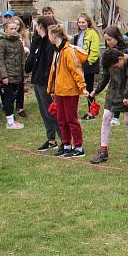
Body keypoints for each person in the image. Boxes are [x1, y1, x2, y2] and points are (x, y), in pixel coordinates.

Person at [89, 27, 128, 164]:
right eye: (106, 40)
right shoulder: (107, 54)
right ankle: (103, 150)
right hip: (113, 90)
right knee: (106, 117)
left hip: (126, 90)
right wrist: (96, 90)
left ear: (117, 37)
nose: (108, 42)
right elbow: (105, 76)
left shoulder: (127, 52)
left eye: (110, 39)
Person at [47, 24, 88, 157]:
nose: (48, 37)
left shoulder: (68, 51)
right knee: (61, 119)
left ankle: (79, 147)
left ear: (53, 35)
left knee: (71, 119)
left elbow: (76, 70)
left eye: (49, 35)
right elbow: (53, 72)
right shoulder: (57, 51)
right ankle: (66, 145)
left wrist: (82, 87)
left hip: (69, 91)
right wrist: (51, 88)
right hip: (59, 91)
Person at [25, 15, 62, 152]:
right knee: (44, 111)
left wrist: (51, 84)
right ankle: (51, 139)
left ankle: (64, 140)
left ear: (41, 26)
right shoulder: (36, 40)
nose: (35, 27)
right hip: (37, 80)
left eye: (36, 24)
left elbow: (50, 64)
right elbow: (30, 62)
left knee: (52, 111)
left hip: (47, 82)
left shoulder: (50, 42)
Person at [0, 17, 26, 130]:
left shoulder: (18, 42)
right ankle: (9, 121)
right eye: (11, 28)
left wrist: (24, 74)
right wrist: (4, 76)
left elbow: (23, 58)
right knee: (8, 98)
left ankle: (12, 118)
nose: (14, 30)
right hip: (8, 75)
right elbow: (0, 60)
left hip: (18, 75)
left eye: (15, 28)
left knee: (14, 97)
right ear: (6, 29)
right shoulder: (2, 42)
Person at [74, 13, 101, 120]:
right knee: (80, 87)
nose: (81, 24)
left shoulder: (92, 33)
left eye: (83, 22)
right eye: (79, 22)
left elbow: (94, 50)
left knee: (89, 88)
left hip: (88, 64)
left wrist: (89, 62)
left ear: (88, 22)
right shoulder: (79, 34)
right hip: (79, 64)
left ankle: (92, 111)